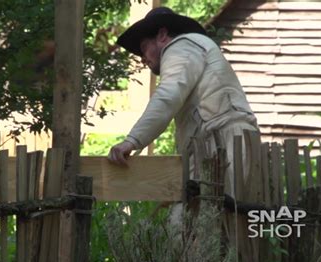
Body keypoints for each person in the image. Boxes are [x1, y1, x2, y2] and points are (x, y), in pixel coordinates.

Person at [107, 7, 259, 198]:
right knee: (198, 221)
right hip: (213, 145)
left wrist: (132, 141)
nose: (143, 59)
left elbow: (168, 94)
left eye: (144, 48)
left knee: (223, 217)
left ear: (162, 35)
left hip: (224, 143)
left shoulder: (181, 46)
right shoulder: (191, 50)